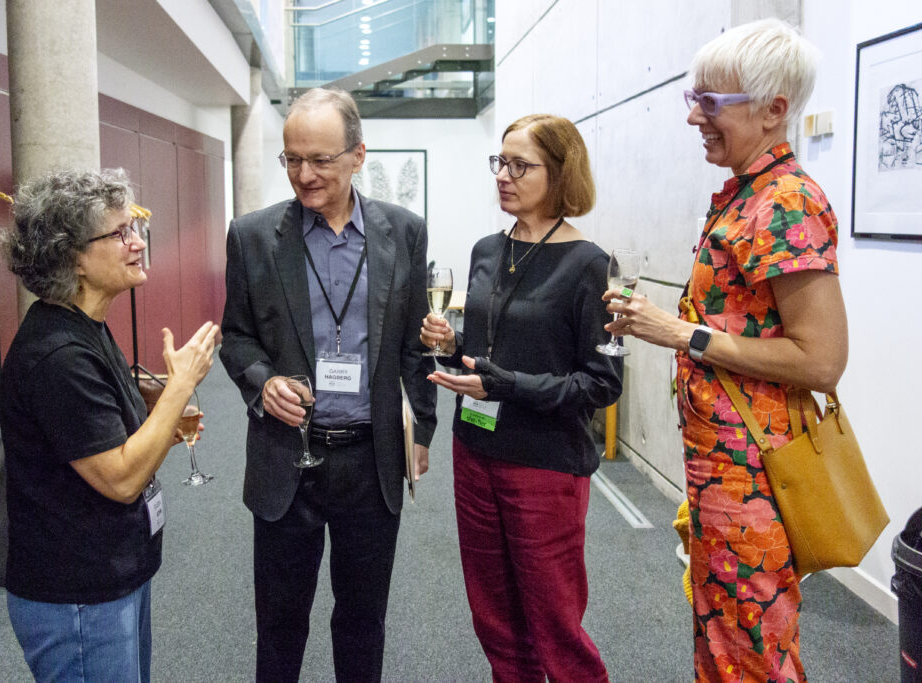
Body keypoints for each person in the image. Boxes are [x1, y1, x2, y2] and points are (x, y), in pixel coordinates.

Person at [602, 19, 848, 681]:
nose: (694, 119)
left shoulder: (786, 202)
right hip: (722, 472)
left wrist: (682, 332)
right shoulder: (746, 196)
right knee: (725, 651)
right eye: (694, 99)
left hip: (755, 480)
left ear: (773, 111)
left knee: (752, 658)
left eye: (712, 104)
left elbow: (822, 360)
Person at [219, 87, 437, 682]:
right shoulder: (253, 236)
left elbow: (416, 342)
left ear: (358, 155)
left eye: (320, 160)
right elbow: (235, 336)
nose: (303, 175)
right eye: (292, 159)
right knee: (281, 624)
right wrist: (262, 382)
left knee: (363, 619)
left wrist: (424, 429)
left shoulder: (404, 233)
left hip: (371, 458)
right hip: (286, 457)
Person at [420, 113, 623, 681]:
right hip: (476, 451)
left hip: (545, 464)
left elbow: (601, 385)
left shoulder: (591, 265)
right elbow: (492, 349)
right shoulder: (489, 249)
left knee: (554, 625)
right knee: (495, 620)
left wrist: (505, 385)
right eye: (499, 163)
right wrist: (451, 345)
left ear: (560, 174)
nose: (503, 176)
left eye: (520, 165)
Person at [0, 169, 219, 682]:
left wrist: (152, 403)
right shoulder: (57, 355)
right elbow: (121, 480)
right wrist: (181, 386)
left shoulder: (84, 327)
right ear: (70, 254)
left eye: (134, 227)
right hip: (77, 596)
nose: (137, 242)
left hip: (107, 579)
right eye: (118, 233)